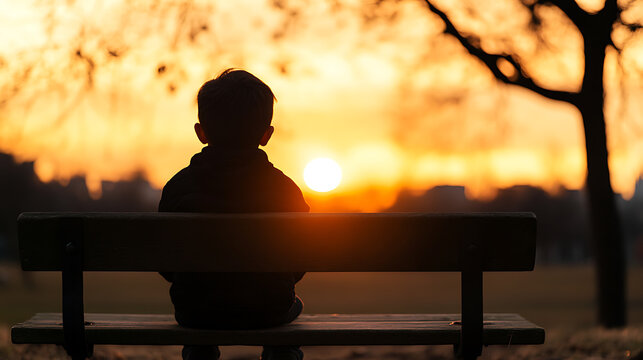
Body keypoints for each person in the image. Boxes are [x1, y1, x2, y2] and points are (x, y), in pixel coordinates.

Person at [159, 69, 309, 360]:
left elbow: (166, 264)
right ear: (267, 135)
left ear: (201, 132)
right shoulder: (285, 190)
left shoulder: (178, 187)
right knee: (293, 304)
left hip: (197, 311)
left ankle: (198, 353)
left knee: (198, 302)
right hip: (268, 308)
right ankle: (282, 353)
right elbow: (300, 262)